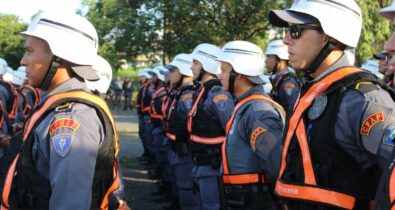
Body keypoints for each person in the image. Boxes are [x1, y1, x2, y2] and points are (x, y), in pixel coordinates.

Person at [268, 0, 395, 209]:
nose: (286, 40)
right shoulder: (313, 91)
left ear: (329, 36)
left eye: (296, 30)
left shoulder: (362, 100)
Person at [1, 11, 120, 210]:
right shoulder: (57, 105)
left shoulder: (73, 118)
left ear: (59, 57)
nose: (22, 61)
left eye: (29, 51)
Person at [217, 40, 285, 210]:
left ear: (239, 74)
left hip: (254, 201)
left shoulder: (257, 113)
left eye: (224, 70)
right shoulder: (245, 106)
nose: (219, 76)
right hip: (242, 199)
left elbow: (276, 162)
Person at [187, 43, 234, 210]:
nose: (191, 67)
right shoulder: (202, 91)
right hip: (201, 162)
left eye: (195, 63)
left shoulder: (217, 93)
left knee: (212, 206)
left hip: (212, 165)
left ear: (206, 64)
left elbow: (231, 129)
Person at [164, 53, 200, 210]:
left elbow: (190, 125)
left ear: (184, 71)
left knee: (187, 192)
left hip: (184, 153)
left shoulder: (187, 96)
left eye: (173, 70)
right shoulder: (179, 92)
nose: (169, 74)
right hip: (176, 149)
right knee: (179, 187)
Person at [265, 39, 300, 114]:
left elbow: (294, 111)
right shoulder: (280, 80)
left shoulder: (288, 83)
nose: (266, 61)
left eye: (269, 57)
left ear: (278, 60)